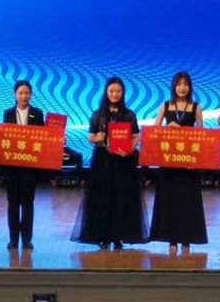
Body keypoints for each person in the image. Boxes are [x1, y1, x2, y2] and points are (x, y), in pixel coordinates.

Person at [71, 76, 146, 250]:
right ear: (106, 92)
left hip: (123, 161)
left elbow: (136, 136)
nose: (115, 94)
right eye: (111, 91)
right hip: (102, 160)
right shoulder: (97, 114)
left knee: (122, 198)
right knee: (102, 197)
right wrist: (96, 137)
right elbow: (90, 137)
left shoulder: (129, 114)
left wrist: (130, 149)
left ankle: (119, 236)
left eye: (118, 91)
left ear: (123, 93)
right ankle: (102, 236)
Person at [149, 72, 208, 252]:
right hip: (169, 162)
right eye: (179, 84)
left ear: (190, 87)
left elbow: (201, 136)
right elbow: (154, 132)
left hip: (188, 163)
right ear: (174, 86)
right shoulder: (165, 106)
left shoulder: (196, 107)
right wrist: (167, 128)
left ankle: (187, 238)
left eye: (185, 84)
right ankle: (172, 239)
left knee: (188, 201)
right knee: (169, 200)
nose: (182, 88)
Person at [2, 80, 44, 250]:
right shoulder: (8, 114)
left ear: (31, 95)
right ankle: (13, 239)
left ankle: (27, 240)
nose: (24, 96)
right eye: (20, 93)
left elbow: (44, 138)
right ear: (15, 95)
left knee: (27, 203)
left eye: (27, 93)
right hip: (12, 166)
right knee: (12, 202)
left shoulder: (38, 114)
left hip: (29, 166)